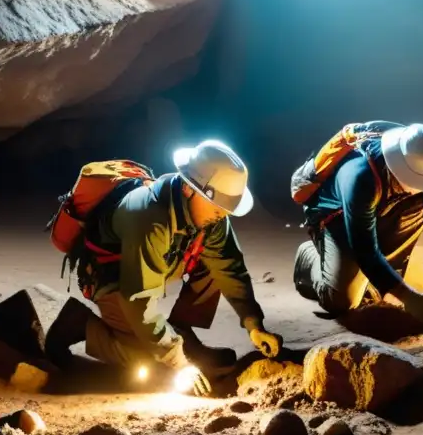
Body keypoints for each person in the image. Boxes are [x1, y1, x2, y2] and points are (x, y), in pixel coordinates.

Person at [44, 140, 282, 395]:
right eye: (218, 207)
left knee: (214, 263)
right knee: (147, 363)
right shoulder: (150, 217)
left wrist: (253, 323)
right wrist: (178, 362)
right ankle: (78, 324)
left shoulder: (211, 214)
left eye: (226, 209)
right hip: (114, 274)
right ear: (192, 190)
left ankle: (182, 333)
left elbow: (229, 266)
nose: (222, 215)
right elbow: (139, 301)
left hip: (159, 260)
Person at [291, 122, 423, 328]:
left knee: (379, 287)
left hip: (381, 207)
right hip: (336, 216)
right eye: (413, 181)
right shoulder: (360, 175)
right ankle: (309, 257)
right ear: (396, 166)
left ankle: (378, 276)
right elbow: (364, 250)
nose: (421, 187)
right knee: (343, 301)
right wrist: (410, 298)